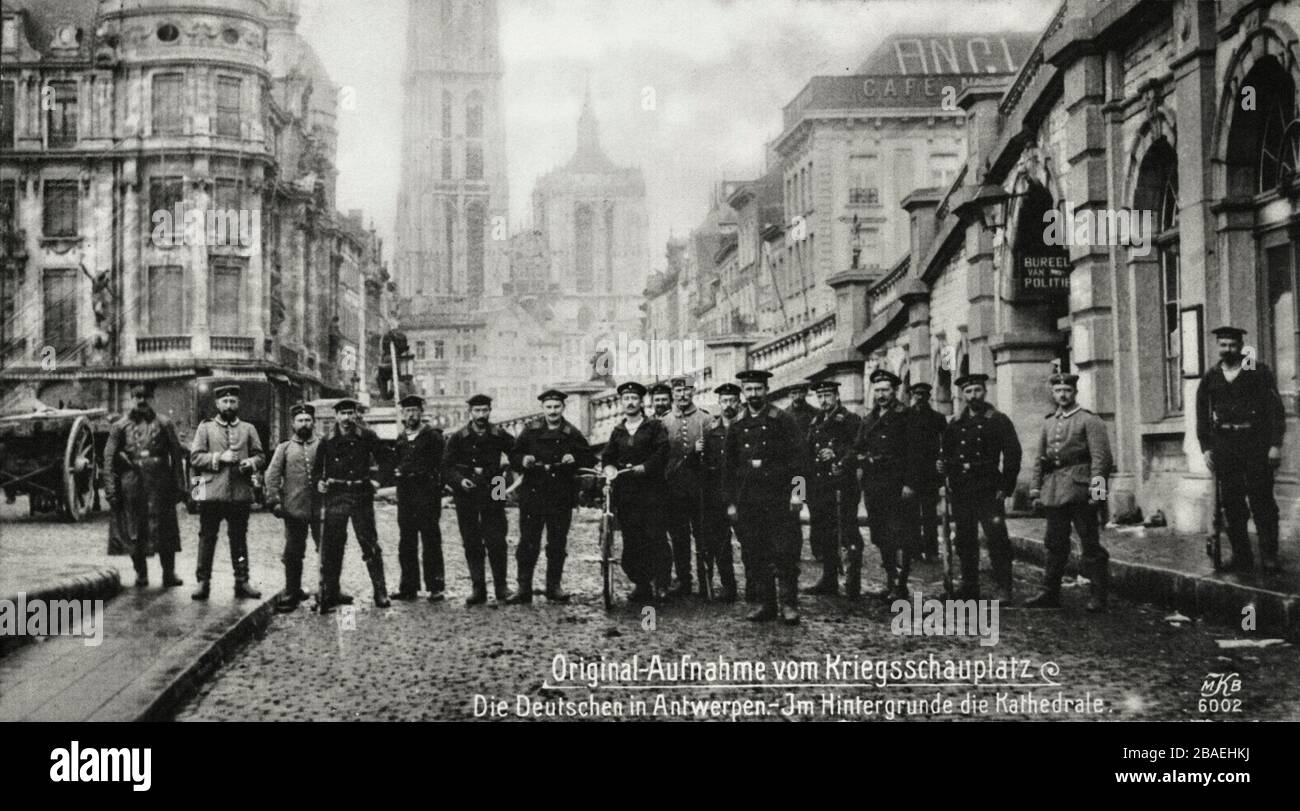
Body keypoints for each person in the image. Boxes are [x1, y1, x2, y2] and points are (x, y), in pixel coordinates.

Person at [1196, 326, 1286, 572]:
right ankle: (1242, 556)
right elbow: (1202, 417)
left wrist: (1275, 445)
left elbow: (1275, 411)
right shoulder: (1211, 377)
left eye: (1232, 345)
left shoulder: (1256, 371)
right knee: (1232, 505)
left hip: (1255, 443)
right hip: (1225, 446)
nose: (1228, 350)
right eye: (1223, 345)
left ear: (1241, 345)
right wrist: (1206, 448)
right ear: (1218, 347)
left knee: (1262, 501)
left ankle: (1269, 555)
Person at [725, 369, 808, 624]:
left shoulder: (782, 420)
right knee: (755, 552)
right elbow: (728, 468)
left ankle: (790, 605)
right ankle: (766, 604)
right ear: (743, 392)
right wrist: (730, 503)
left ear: (766, 390)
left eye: (758, 389)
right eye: (749, 390)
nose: (753, 394)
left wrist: (798, 496)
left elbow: (800, 461)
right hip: (749, 501)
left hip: (779, 500)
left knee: (785, 552)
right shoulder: (738, 426)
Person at [1026, 373, 1114, 611]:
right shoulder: (1049, 422)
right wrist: (1036, 491)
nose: (1062, 395)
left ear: (1075, 393)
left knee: (1090, 544)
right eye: (1058, 391)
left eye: (1067, 390)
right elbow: (1040, 459)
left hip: (1081, 490)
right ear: (1052, 393)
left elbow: (1101, 459)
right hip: (1054, 490)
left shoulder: (1089, 420)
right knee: (1054, 543)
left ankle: (1098, 596)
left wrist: (1097, 493)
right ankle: (1049, 593)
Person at [937, 374, 1022, 601]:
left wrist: (1006, 486)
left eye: (977, 390)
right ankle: (969, 586)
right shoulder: (955, 423)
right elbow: (946, 453)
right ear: (962, 395)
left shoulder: (998, 420)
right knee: (965, 540)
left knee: (997, 539)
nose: (973, 395)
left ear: (985, 391)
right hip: (962, 491)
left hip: (988, 490)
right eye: (968, 391)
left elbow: (1013, 454)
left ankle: (1004, 587)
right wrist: (942, 467)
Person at [507, 389, 593, 604]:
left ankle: (553, 586)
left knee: (556, 543)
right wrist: (523, 459)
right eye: (549, 407)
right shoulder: (530, 430)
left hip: (560, 494)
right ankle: (523, 588)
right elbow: (514, 454)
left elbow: (588, 457)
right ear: (543, 408)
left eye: (556, 407)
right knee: (528, 542)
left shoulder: (570, 432)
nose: (553, 411)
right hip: (533, 493)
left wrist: (575, 458)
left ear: (563, 408)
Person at [847, 368, 924, 601]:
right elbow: (858, 446)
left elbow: (916, 453)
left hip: (898, 486)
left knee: (900, 534)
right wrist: (856, 459)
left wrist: (910, 483)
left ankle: (900, 584)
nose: (881, 395)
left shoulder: (907, 416)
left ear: (894, 391)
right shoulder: (869, 419)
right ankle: (890, 579)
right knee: (880, 534)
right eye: (878, 390)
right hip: (874, 486)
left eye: (885, 390)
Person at [104, 381, 186, 589]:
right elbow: (108, 459)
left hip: (160, 482)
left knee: (165, 528)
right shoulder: (119, 426)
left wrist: (180, 486)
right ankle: (141, 573)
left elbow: (176, 456)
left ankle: (169, 573)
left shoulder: (165, 424)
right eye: (137, 396)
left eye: (145, 397)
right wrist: (111, 490)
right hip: (132, 483)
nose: (141, 401)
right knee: (134, 528)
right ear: (131, 399)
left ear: (152, 399)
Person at [312, 398, 391, 610]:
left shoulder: (367, 436)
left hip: (360, 495)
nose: (347, 418)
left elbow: (387, 460)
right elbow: (318, 470)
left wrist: (377, 481)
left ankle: (380, 591)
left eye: (350, 413)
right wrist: (320, 482)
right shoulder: (327, 440)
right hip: (336, 496)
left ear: (356, 415)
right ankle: (331, 591)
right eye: (342, 414)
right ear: (336, 416)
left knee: (369, 544)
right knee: (332, 546)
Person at [189, 384, 265, 600]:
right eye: (225, 401)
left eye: (233, 401)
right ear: (217, 404)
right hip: (212, 493)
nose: (229, 405)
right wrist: (218, 458)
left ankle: (242, 581)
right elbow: (195, 458)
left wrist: (250, 462)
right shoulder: (205, 429)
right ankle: (203, 583)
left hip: (239, 494)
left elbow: (261, 456)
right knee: (207, 537)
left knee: (239, 539)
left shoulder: (248, 429)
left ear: (238, 403)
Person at [600, 381, 671, 603]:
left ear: (642, 402)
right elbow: (608, 457)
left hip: (651, 492)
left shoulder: (654, 427)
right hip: (627, 494)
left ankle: (661, 583)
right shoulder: (618, 431)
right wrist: (609, 468)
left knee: (655, 537)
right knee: (632, 539)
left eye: (634, 399)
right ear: (622, 403)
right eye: (626, 399)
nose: (630, 403)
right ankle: (641, 584)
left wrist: (646, 467)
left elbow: (663, 451)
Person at [442, 393, 515, 606]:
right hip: (467, 489)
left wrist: (509, 471)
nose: (481, 415)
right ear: (470, 413)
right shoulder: (458, 437)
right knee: (472, 540)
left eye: (485, 410)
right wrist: (460, 481)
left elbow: (518, 453)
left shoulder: (499, 434)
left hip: (496, 486)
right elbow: (446, 467)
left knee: (497, 538)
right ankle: (478, 588)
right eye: (477, 411)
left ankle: (501, 587)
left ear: (490, 411)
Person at [805, 379, 863, 597]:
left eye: (828, 395)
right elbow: (809, 450)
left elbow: (857, 448)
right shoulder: (816, 420)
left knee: (848, 531)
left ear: (837, 396)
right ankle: (829, 579)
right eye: (820, 396)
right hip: (822, 487)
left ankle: (852, 580)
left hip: (843, 485)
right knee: (826, 533)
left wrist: (837, 456)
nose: (824, 400)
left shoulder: (850, 420)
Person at [264, 403, 323, 612]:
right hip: (294, 510)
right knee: (293, 552)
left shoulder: (323, 446)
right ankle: (292, 591)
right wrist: (274, 501)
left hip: (321, 510)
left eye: (308, 420)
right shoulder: (284, 448)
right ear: (293, 424)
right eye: (300, 421)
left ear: (313, 423)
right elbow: (271, 476)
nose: (304, 424)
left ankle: (328, 590)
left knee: (326, 551)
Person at [659, 375, 712, 598]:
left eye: (687, 391)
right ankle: (684, 581)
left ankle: (705, 581)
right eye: (678, 391)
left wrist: (704, 450)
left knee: (702, 535)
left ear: (693, 392)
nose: (682, 395)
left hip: (699, 487)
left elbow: (716, 455)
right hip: (673, 489)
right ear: (673, 394)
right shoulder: (665, 422)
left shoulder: (705, 420)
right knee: (679, 537)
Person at [390, 394, 446, 602]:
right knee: (407, 541)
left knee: (430, 539)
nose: (411, 415)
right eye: (407, 411)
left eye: (415, 410)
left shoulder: (433, 436)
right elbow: (396, 462)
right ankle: (408, 587)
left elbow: (444, 464)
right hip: (406, 496)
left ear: (421, 413)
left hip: (427, 495)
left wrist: (437, 488)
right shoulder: (402, 438)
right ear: (403, 414)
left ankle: (435, 587)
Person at [700, 383, 741, 602]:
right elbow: (705, 464)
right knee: (721, 542)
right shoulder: (711, 431)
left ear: (739, 402)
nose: (728, 405)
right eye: (724, 401)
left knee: (751, 539)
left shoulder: (745, 427)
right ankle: (728, 585)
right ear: (719, 404)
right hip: (717, 493)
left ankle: (756, 586)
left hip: (743, 491)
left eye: (732, 400)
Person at [909, 382, 947, 562]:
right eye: (917, 394)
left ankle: (932, 551)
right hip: (911, 473)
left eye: (924, 394)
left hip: (930, 473)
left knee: (930, 515)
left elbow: (945, 444)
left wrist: (941, 465)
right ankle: (915, 550)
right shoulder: (906, 417)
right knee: (912, 515)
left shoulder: (938, 418)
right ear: (912, 395)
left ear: (929, 396)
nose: (920, 397)